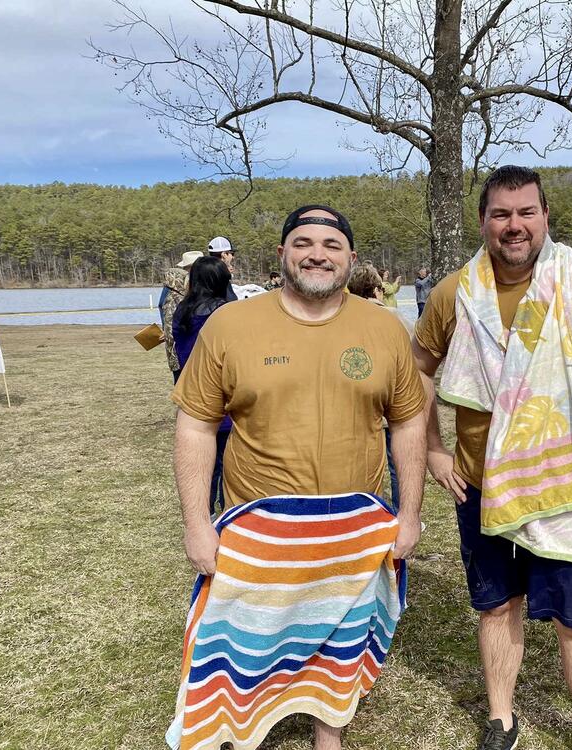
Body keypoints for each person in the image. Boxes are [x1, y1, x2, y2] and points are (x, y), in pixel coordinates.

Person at [412, 165, 572, 750]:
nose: (514, 225)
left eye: (526, 212)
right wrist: (433, 450)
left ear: (546, 216)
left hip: (563, 484)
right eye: (501, 213)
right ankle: (501, 718)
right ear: (483, 221)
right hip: (481, 484)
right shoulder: (456, 293)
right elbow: (417, 371)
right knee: (497, 609)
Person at [172, 205, 427, 750]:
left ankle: (326, 733)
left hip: (354, 531)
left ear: (351, 258)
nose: (318, 253)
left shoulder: (384, 327)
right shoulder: (230, 325)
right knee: (241, 646)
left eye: (332, 245)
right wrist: (197, 523)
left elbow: (409, 423)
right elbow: (195, 423)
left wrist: (410, 515)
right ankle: (235, 732)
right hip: (259, 531)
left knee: (340, 641)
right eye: (303, 242)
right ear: (283, 254)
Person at [172, 256, 233, 516]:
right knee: (227, 464)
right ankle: (227, 512)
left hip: (195, 397)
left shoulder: (182, 312)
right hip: (224, 400)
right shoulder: (224, 314)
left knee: (202, 466)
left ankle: (204, 514)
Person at [349, 263, 413, 511]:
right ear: (377, 290)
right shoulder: (397, 319)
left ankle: (363, 513)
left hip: (357, 409)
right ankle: (400, 513)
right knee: (398, 465)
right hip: (395, 406)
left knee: (361, 466)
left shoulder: (342, 323)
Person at [160, 250, 202, 382]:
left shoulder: (168, 290)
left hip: (174, 350)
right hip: (185, 350)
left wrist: (166, 331)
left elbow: (166, 315)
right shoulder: (184, 292)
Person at [207, 236, 239, 301]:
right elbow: (230, 301)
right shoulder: (221, 277)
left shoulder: (206, 273)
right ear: (224, 254)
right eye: (232, 254)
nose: (233, 257)